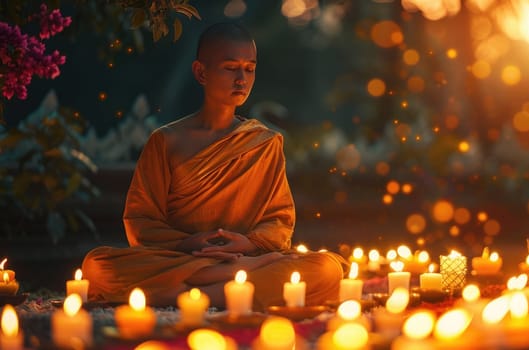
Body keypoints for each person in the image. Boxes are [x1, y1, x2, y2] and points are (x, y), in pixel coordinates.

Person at [82, 22, 346, 309]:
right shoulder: (166, 141)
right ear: (200, 72)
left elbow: (279, 220)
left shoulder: (264, 143)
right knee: (97, 264)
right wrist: (191, 243)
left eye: (249, 68)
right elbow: (140, 221)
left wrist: (246, 244)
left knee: (327, 268)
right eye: (231, 68)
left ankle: (187, 294)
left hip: (246, 258)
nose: (241, 79)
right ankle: (226, 284)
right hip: (183, 258)